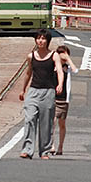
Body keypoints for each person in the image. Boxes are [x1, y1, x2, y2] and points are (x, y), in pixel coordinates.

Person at [18, 29, 64, 160]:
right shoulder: (31, 56)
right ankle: (27, 150)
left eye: (43, 38)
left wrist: (60, 84)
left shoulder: (54, 56)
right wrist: (23, 89)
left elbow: (60, 71)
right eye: (38, 38)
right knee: (29, 119)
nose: (40, 41)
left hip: (48, 92)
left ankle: (44, 151)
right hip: (33, 91)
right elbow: (28, 73)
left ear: (48, 41)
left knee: (46, 123)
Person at [52, 44, 79, 156]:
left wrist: (68, 58)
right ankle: (51, 145)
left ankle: (60, 146)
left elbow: (75, 70)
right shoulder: (53, 65)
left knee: (61, 123)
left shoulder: (67, 68)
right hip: (52, 97)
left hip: (63, 99)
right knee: (52, 122)